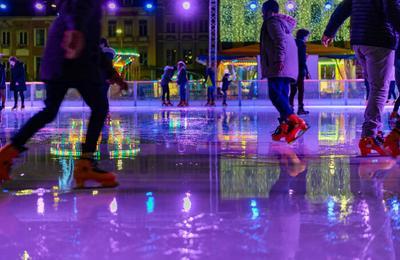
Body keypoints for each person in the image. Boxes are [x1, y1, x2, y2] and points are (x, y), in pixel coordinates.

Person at [0, 0, 126, 187]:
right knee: (99, 107)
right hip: (72, 59)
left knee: (50, 111)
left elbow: (90, 42)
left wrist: (112, 73)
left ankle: (7, 154)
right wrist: (74, 30)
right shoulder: (84, 10)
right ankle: (86, 164)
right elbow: (77, 10)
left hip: (63, 58)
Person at [322, 0, 399, 156]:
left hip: (358, 40)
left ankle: (374, 132)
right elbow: (393, 11)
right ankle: (369, 135)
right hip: (379, 39)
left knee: (374, 88)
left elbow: (343, 8)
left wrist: (330, 31)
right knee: (379, 89)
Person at [260, 0, 309, 144]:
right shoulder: (283, 24)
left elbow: (279, 41)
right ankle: (286, 126)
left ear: (267, 11)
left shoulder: (272, 22)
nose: (262, 15)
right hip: (287, 68)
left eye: (263, 12)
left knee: (275, 94)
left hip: (278, 65)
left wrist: (279, 59)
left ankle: (295, 121)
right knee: (282, 95)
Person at [290, 29, 311, 115]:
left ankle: (290, 107)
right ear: (304, 36)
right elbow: (302, 60)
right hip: (299, 70)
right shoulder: (302, 44)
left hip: (292, 70)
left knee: (293, 90)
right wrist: (306, 71)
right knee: (301, 90)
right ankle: (300, 108)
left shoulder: (292, 43)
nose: (307, 38)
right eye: (307, 36)